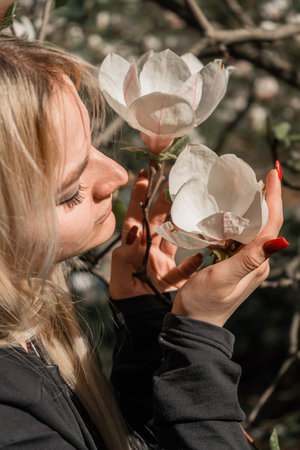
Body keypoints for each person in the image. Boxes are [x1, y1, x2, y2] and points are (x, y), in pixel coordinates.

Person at [0, 33, 286, 450]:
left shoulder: (27, 322)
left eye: (93, 145)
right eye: (71, 191)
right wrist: (198, 338)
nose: (116, 175)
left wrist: (149, 325)